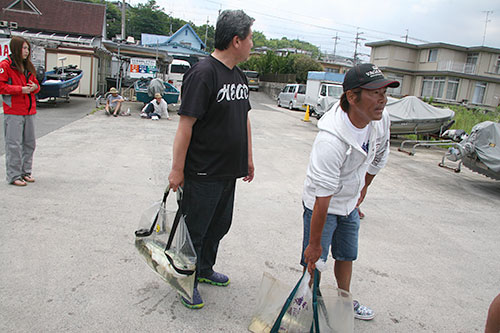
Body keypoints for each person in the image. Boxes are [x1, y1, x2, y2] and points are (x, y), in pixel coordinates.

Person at [168, 9, 255, 309]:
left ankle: (203, 270)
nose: (252, 44)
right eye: (250, 38)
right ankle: (184, 280)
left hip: (227, 172)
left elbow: (243, 119)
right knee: (194, 231)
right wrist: (177, 170)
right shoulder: (203, 73)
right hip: (202, 173)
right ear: (236, 41)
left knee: (219, 226)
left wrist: (249, 158)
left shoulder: (239, 75)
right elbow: (185, 126)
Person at [302, 63, 399, 321]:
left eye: (384, 92)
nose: (383, 99)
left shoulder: (379, 118)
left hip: (350, 201)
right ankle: (309, 297)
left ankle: (345, 300)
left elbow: (379, 155)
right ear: (352, 97)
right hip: (323, 203)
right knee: (316, 258)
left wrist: (364, 186)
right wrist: (313, 244)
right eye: (375, 92)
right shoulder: (330, 139)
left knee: (346, 254)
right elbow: (322, 199)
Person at [0, 36, 40, 187]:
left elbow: (36, 84)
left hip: (30, 110)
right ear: (16, 49)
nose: (26, 51)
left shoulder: (28, 66)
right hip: (14, 111)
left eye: (28, 48)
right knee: (14, 144)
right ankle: (14, 175)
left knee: (29, 143)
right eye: (24, 48)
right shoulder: (6, 66)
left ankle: (26, 172)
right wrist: (20, 90)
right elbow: (1, 86)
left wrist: (35, 88)